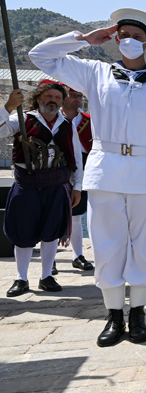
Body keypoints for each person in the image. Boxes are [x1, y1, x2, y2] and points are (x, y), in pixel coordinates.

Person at [29, 8, 146, 347]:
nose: (130, 41)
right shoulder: (94, 73)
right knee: (107, 243)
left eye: (137, 37)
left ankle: (138, 312)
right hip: (106, 170)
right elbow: (39, 56)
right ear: (114, 38)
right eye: (123, 35)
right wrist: (84, 39)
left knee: (144, 244)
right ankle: (114, 315)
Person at [1, 81, 83, 297]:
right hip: (27, 184)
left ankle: (47, 276)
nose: (52, 101)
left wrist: (77, 187)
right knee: (24, 231)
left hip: (56, 184)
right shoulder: (22, 119)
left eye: (57, 98)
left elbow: (76, 158)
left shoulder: (67, 124)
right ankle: (21, 278)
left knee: (51, 232)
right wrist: (8, 107)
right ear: (38, 98)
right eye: (48, 96)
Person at [60, 85, 94, 271]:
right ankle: (51, 258)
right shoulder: (52, 118)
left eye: (80, 96)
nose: (78, 100)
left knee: (77, 213)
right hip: (57, 163)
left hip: (85, 163)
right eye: (73, 95)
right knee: (51, 212)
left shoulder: (89, 120)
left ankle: (77, 255)